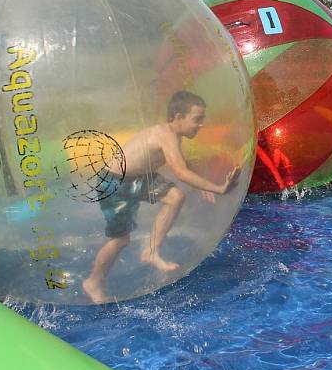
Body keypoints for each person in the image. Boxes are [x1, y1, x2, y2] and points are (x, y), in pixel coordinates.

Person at [82, 90, 240, 304]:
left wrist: (204, 185)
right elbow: (180, 171)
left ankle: (150, 251)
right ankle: (93, 281)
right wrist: (218, 188)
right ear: (178, 117)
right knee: (120, 240)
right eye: (197, 119)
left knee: (175, 197)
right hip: (115, 182)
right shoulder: (164, 135)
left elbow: (182, 162)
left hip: (139, 177)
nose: (201, 124)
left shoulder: (172, 134)